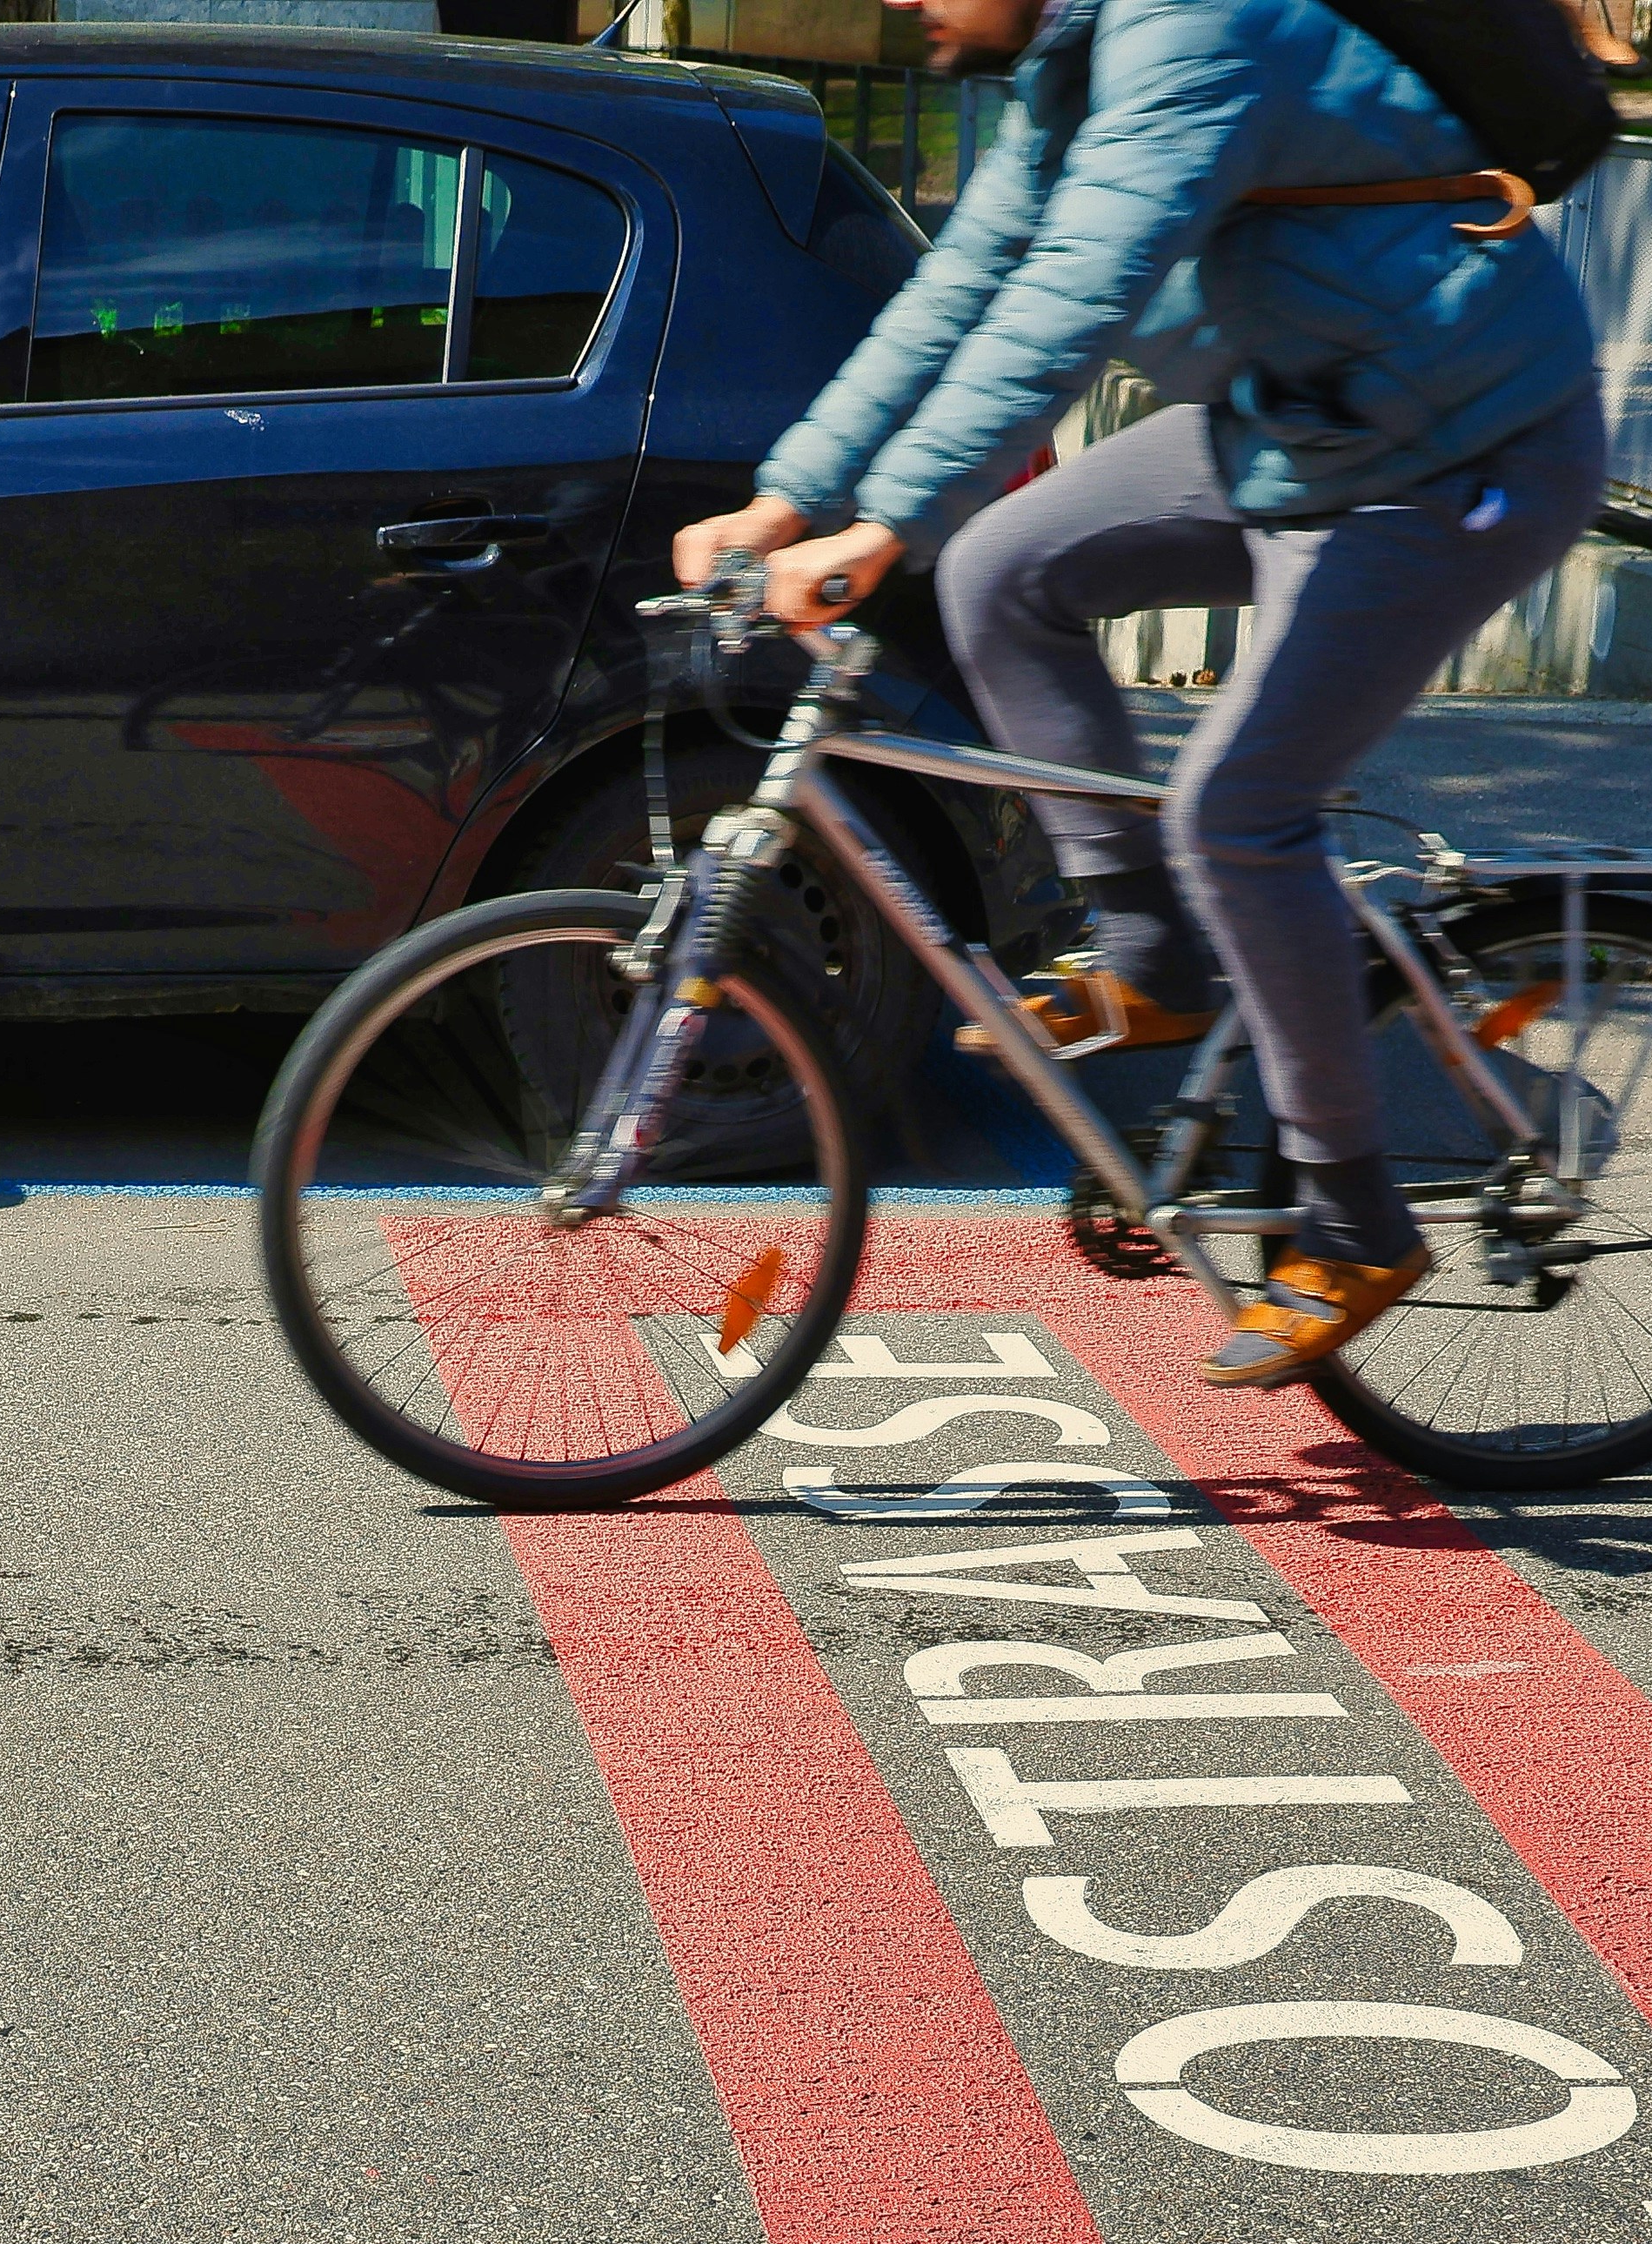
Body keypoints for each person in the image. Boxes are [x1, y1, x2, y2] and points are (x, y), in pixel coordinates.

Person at [669, 0, 1602, 1390]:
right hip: (1301, 423)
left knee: (1239, 808)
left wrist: (880, 526)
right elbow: (963, 283)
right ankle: (1152, 958)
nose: (903, 7)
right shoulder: (1067, 61)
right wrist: (787, 494)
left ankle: (1353, 1218)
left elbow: (1072, 297)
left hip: (1455, 447)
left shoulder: (1194, 34)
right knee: (999, 567)